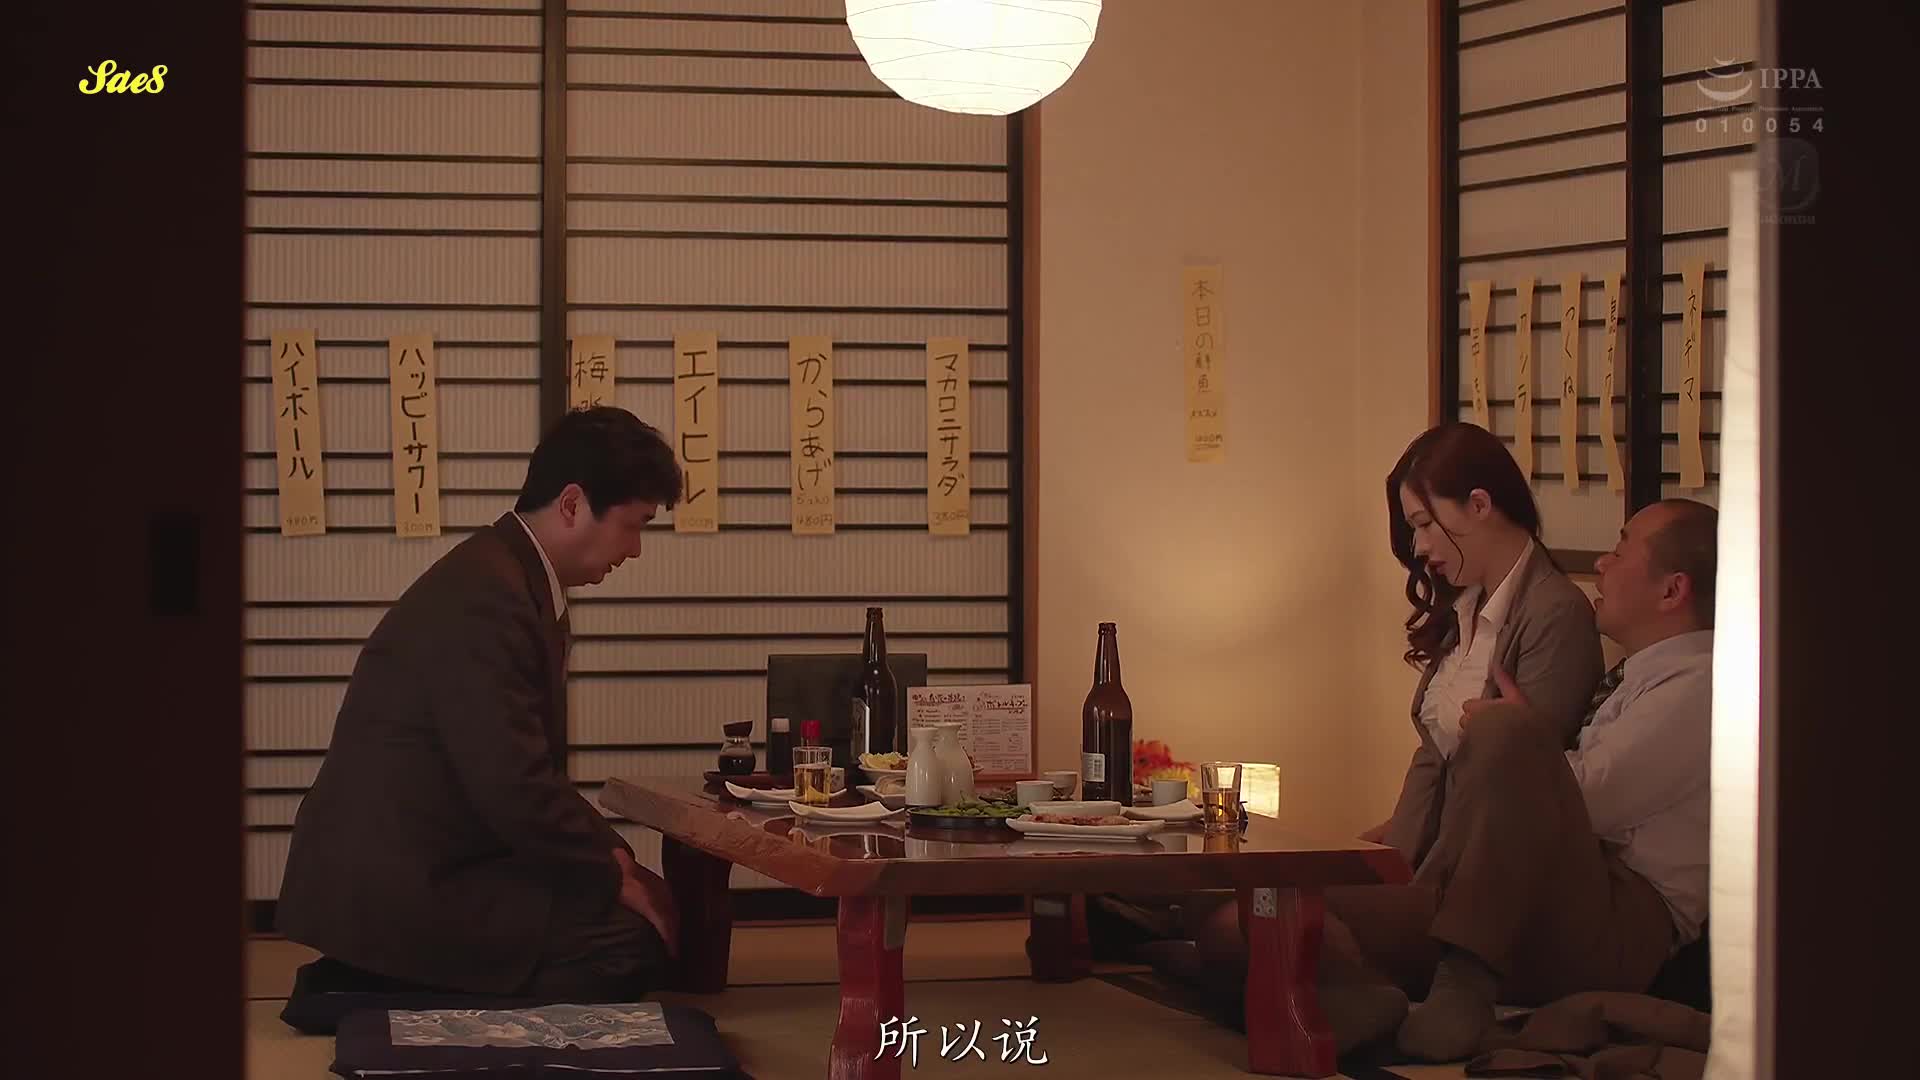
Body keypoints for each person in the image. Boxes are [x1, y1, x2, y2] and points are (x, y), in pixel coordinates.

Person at [1198, 497, 1719, 1062]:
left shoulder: (1701, 687)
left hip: (1617, 920)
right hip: (1512, 900)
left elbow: (1587, 804)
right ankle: (1362, 996)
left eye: (1619, 550)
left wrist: (1521, 737)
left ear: (1672, 590)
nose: (1601, 564)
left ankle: (1464, 980)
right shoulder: (1635, 675)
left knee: (1500, 730)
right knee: (1250, 917)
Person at [278, 406, 683, 1005]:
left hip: (439, 854)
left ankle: (384, 979)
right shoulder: (488, 597)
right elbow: (511, 783)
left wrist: (614, 858)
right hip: (405, 876)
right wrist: (610, 874)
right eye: (634, 525)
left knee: (633, 924)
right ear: (573, 505)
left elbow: (525, 773)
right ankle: (369, 989)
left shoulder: (506, 576)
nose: (636, 550)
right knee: (628, 947)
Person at [1367, 421, 1606, 866]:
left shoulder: (1555, 613)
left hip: (1488, 867)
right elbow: (1435, 758)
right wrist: (1385, 855)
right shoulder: (1465, 603)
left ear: (1479, 505)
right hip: (1424, 856)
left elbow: (1522, 789)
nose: (1418, 546)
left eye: (1424, 524)